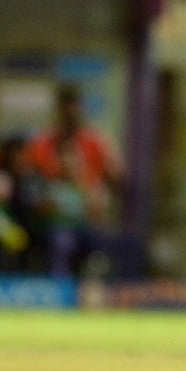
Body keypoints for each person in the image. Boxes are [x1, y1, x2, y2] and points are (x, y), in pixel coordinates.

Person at [23, 84, 124, 277]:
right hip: (52, 224)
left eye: (75, 107)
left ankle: (95, 296)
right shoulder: (42, 143)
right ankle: (59, 292)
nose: (71, 113)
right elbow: (31, 191)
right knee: (61, 241)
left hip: (87, 222)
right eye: (66, 108)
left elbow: (115, 181)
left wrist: (86, 185)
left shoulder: (96, 142)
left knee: (100, 248)